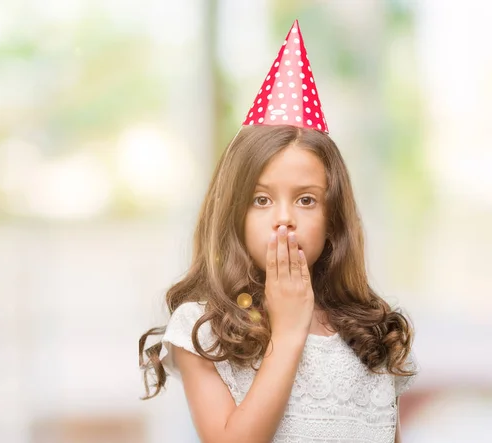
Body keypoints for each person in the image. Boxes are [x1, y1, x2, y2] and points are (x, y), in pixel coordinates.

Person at [138, 20, 419, 443]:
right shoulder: (203, 328)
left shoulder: (373, 332)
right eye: (261, 199)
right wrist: (287, 333)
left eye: (306, 200)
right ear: (233, 213)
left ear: (333, 220)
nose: (283, 218)